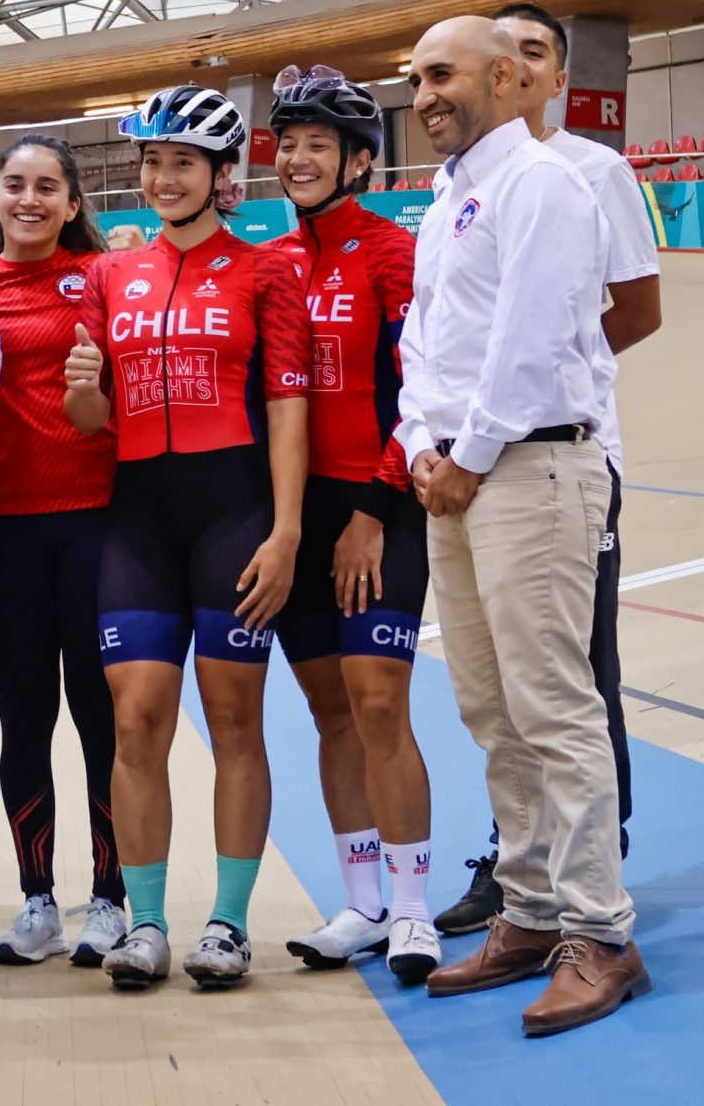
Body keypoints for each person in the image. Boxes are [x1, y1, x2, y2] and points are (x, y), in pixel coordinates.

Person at [396, 16, 646, 1036]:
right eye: (415, 80)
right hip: (458, 476)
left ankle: (600, 930)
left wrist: (467, 452)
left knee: (552, 706)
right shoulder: (447, 197)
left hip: (533, 465)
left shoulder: (543, 183)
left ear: (505, 78)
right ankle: (533, 908)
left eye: (442, 74)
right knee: (490, 709)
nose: (425, 95)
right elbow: (423, 341)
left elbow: (533, 338)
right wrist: (420, 437)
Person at [61, 84, 311, 992]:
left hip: (234, 516)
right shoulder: (110, 275)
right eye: (151, 163)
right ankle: (149, 920)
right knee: (135, 723)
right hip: (138, 519)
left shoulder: (265, 271)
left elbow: (288, 409)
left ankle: (230, 924)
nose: (162, 179)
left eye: (182, 163)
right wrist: (85, 384)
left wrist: (285, 531)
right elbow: (90, 417)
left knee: (236, 719)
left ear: (220, 175)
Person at [259, 67, 440, 986]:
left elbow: (425, 391)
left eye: (316, 145)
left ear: (359, 161)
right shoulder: (275, 261)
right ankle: (363, 903)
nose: (295, 158)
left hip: (380, 506)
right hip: (306, 512)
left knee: (379, 703)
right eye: (287, 144)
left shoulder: (391, 252)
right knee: (331, 712)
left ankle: (414, 909)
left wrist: (374, 507)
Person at [0, 135, 127, 969]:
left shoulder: (99, 278)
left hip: (94, 523)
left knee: (101, 717)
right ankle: (38, 902)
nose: (28, 198)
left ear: (72, 203)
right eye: (14, 185)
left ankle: (110, 896)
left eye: (47, 187)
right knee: (23, 718)